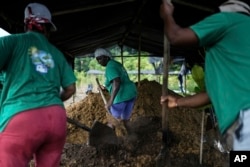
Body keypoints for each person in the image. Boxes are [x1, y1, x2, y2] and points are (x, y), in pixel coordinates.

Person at [160, 0, 250, 151]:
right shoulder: (237, 52)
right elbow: (210, 95)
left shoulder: (228, 20)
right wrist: (177, 102)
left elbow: (176, 36)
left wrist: (167, 14)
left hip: (245, 122)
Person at [0, 2, 76, 167]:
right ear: (47, 29)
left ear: (27, 23)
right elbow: (70, 89)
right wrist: (50, 103)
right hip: (56, 119)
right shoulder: (56, 53)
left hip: (21, 116)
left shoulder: (14, 42)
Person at [94, 48, 137, 133]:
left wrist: (110, 101)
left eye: (100, 58)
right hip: (131, 94)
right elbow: (112, 81)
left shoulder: (110, 67)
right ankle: (132, 138)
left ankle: (106, 141)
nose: (99, 61)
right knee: (126, 120)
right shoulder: (116, 64)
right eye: (97, 59)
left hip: (121, 96)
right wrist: (104, 87)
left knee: (112, 122)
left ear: (106, 57)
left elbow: (116, 82)